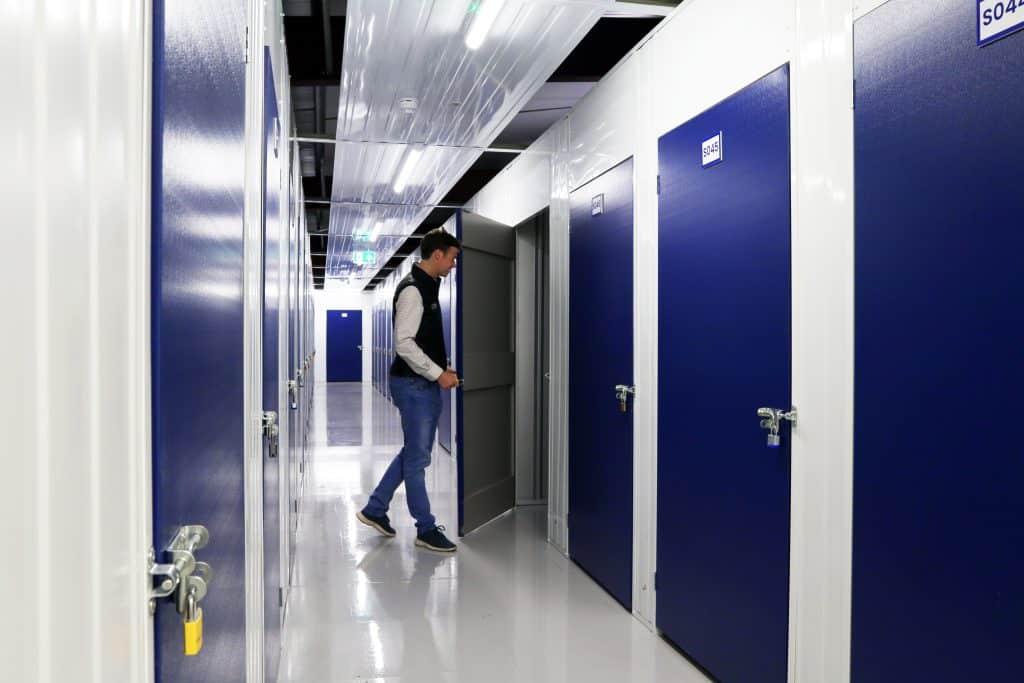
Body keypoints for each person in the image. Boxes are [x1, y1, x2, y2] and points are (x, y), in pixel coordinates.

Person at [358, 228, 461, 552]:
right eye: (453, 258)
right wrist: (436, 373)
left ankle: (376, 509)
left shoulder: (429, 286)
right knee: (418, 459)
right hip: (414, 385)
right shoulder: (414, 290)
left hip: (421, 382)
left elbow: (422, 341)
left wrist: (441, 370)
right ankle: (425, 528)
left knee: (413, 453)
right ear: (437, 255)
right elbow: (404, 344)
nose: (453, 265)